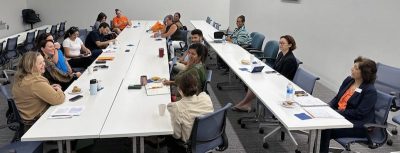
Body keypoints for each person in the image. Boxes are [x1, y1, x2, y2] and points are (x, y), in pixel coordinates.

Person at [320, 56, 378, 153]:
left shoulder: (370, 91)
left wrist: (336, 113)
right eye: (353, 66)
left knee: (326, 129)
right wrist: (328, 106)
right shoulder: (349, 80)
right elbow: (337, 98)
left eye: (356, 68)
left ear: (364, 73)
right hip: (342, 116)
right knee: (319, 123)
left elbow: (359, 113)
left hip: (358, 124)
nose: (352, 69)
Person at [232, 35, 298, 112]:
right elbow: (275, 69)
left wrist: (268, 78)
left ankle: (244, 104)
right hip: (276, 79)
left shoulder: (290, 59)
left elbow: (283, 77)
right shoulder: (281, 54)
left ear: (290, 45)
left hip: (282, 85)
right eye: (280, 43)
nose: (280, 45)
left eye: (283, 43)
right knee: (254, 81)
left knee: (257, 84)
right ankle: (246, 104)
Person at [12, 51, 65, 131]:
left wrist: (48, 88)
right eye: (40, 63)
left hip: (27, 121)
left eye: (43, 61)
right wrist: (59, 90)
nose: (44, 64)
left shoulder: (20, 79)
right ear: (31, 66)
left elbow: (31, 92)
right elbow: (58, 99)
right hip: (37, 123)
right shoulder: (35, 81)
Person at [166, 70, 214, 153]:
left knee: (168, 136)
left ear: (180, 89)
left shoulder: (176, 107)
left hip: (190, 145)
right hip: (209, 138)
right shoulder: (206, 97)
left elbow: (177, 135)